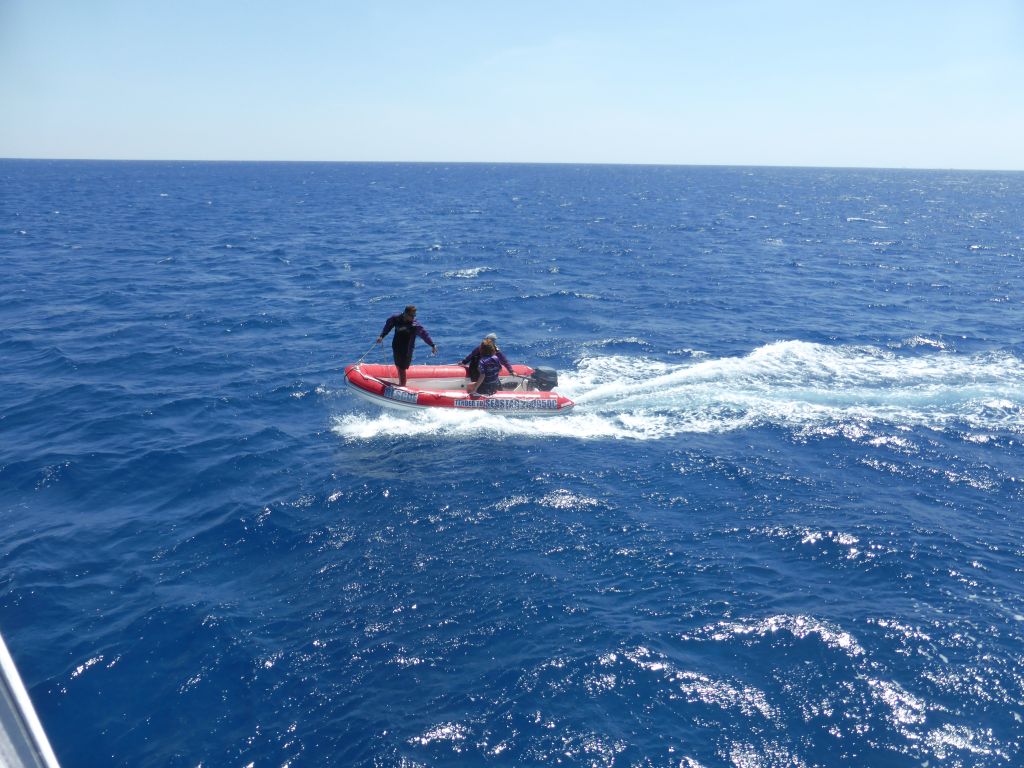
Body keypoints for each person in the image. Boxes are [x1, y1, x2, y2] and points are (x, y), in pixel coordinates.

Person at [376, 305, 437, 386]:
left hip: (407, 350)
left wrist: (432, 344)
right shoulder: (396, 318)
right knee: (398, 366)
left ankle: (402, 386)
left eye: (414, 315)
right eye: (412, 315)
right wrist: (382, 336)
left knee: (402, 368)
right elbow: (388, 326)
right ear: (405, 314)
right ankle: (401, 383)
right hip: (396, 346)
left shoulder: (415, 325)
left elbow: (424, 334)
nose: (413, 317)